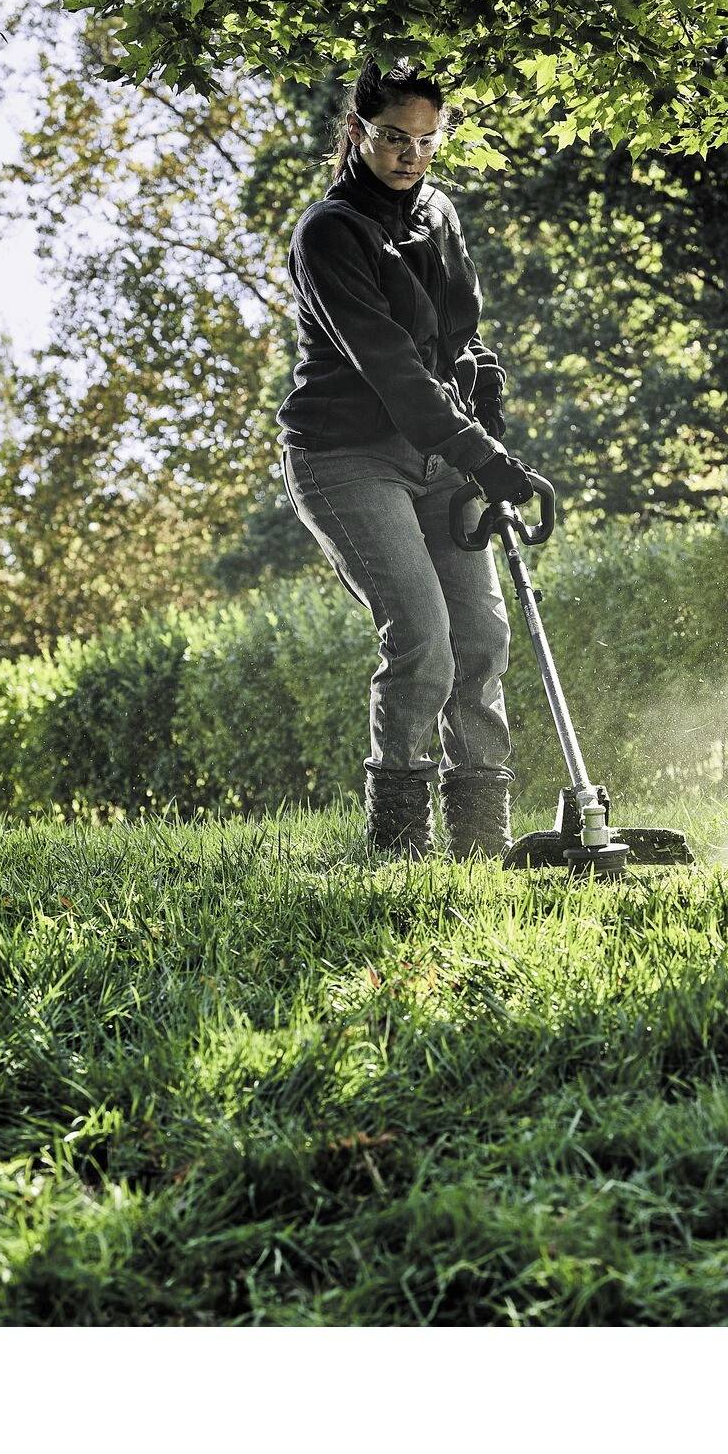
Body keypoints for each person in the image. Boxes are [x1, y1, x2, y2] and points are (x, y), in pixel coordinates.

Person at [278, 61, 540, 857]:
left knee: (482, 638)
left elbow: (462, 340)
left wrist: (488, 424)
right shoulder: (329, 232)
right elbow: (389, 366)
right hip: (346, 455)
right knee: (422, 636)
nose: (410, 154)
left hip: (438, 452)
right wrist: (478, 452)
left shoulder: (439, 214)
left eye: (428, 140)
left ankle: (482, 843)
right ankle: (398, 841)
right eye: (394, 137)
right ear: (357, 130)